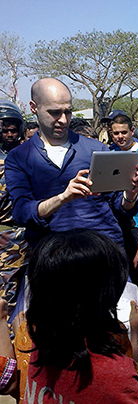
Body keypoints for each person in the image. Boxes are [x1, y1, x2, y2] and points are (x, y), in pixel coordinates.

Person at [0, 229, 138, 403]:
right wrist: (135, 332)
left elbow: (9, 385)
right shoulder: (115, 365)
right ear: (109, 292)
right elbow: (134, 378)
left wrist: (6, 325)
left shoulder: (29, 336)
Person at [4, 78, 138, 249]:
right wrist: (63, 198)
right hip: (51, 255)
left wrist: (130, 194)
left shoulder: (97, 150)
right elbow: (21, 213)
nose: (64, 120)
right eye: (55, 112)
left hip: (103, 251)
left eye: (68, 112)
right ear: (34, 107)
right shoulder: (18, 157)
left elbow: (122, 207)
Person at [0, 101, 29, 327]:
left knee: (15, 299)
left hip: (21, 238)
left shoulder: (26, 156)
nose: (9, 134)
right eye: (4, 129)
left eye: (13, 129)